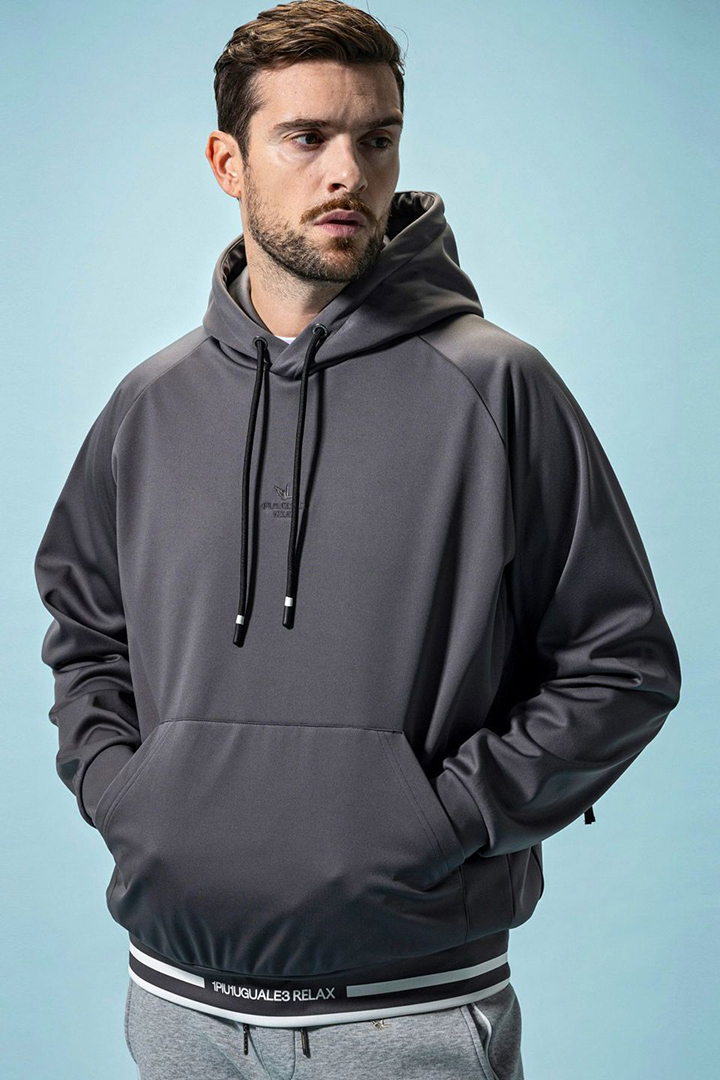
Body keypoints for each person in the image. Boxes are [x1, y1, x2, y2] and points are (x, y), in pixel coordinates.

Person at [33, 1, 682, 1077]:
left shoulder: (498, 388)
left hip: (409, 1012)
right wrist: (128, 797)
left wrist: (447, 817)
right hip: (178, 1008)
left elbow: (622, 663)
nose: (348, 172)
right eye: (307, 137)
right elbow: (86, 635)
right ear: (227, 162)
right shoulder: (147, 405)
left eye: (376, 138)